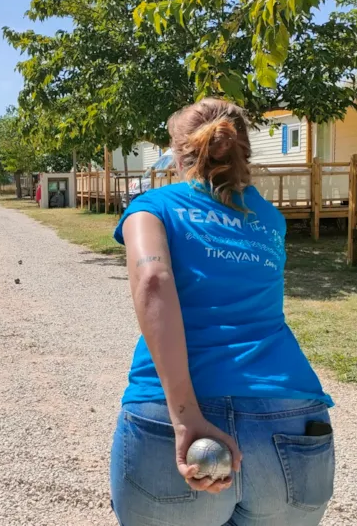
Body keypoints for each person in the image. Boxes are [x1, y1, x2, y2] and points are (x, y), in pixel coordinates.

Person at [109, 98, 335, 526]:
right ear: (243, 151)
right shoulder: (269, 218)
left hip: (169, 415)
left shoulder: (151, 208)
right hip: (288, 414)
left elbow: (152, 279)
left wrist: (186, 418)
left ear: (179, 155)